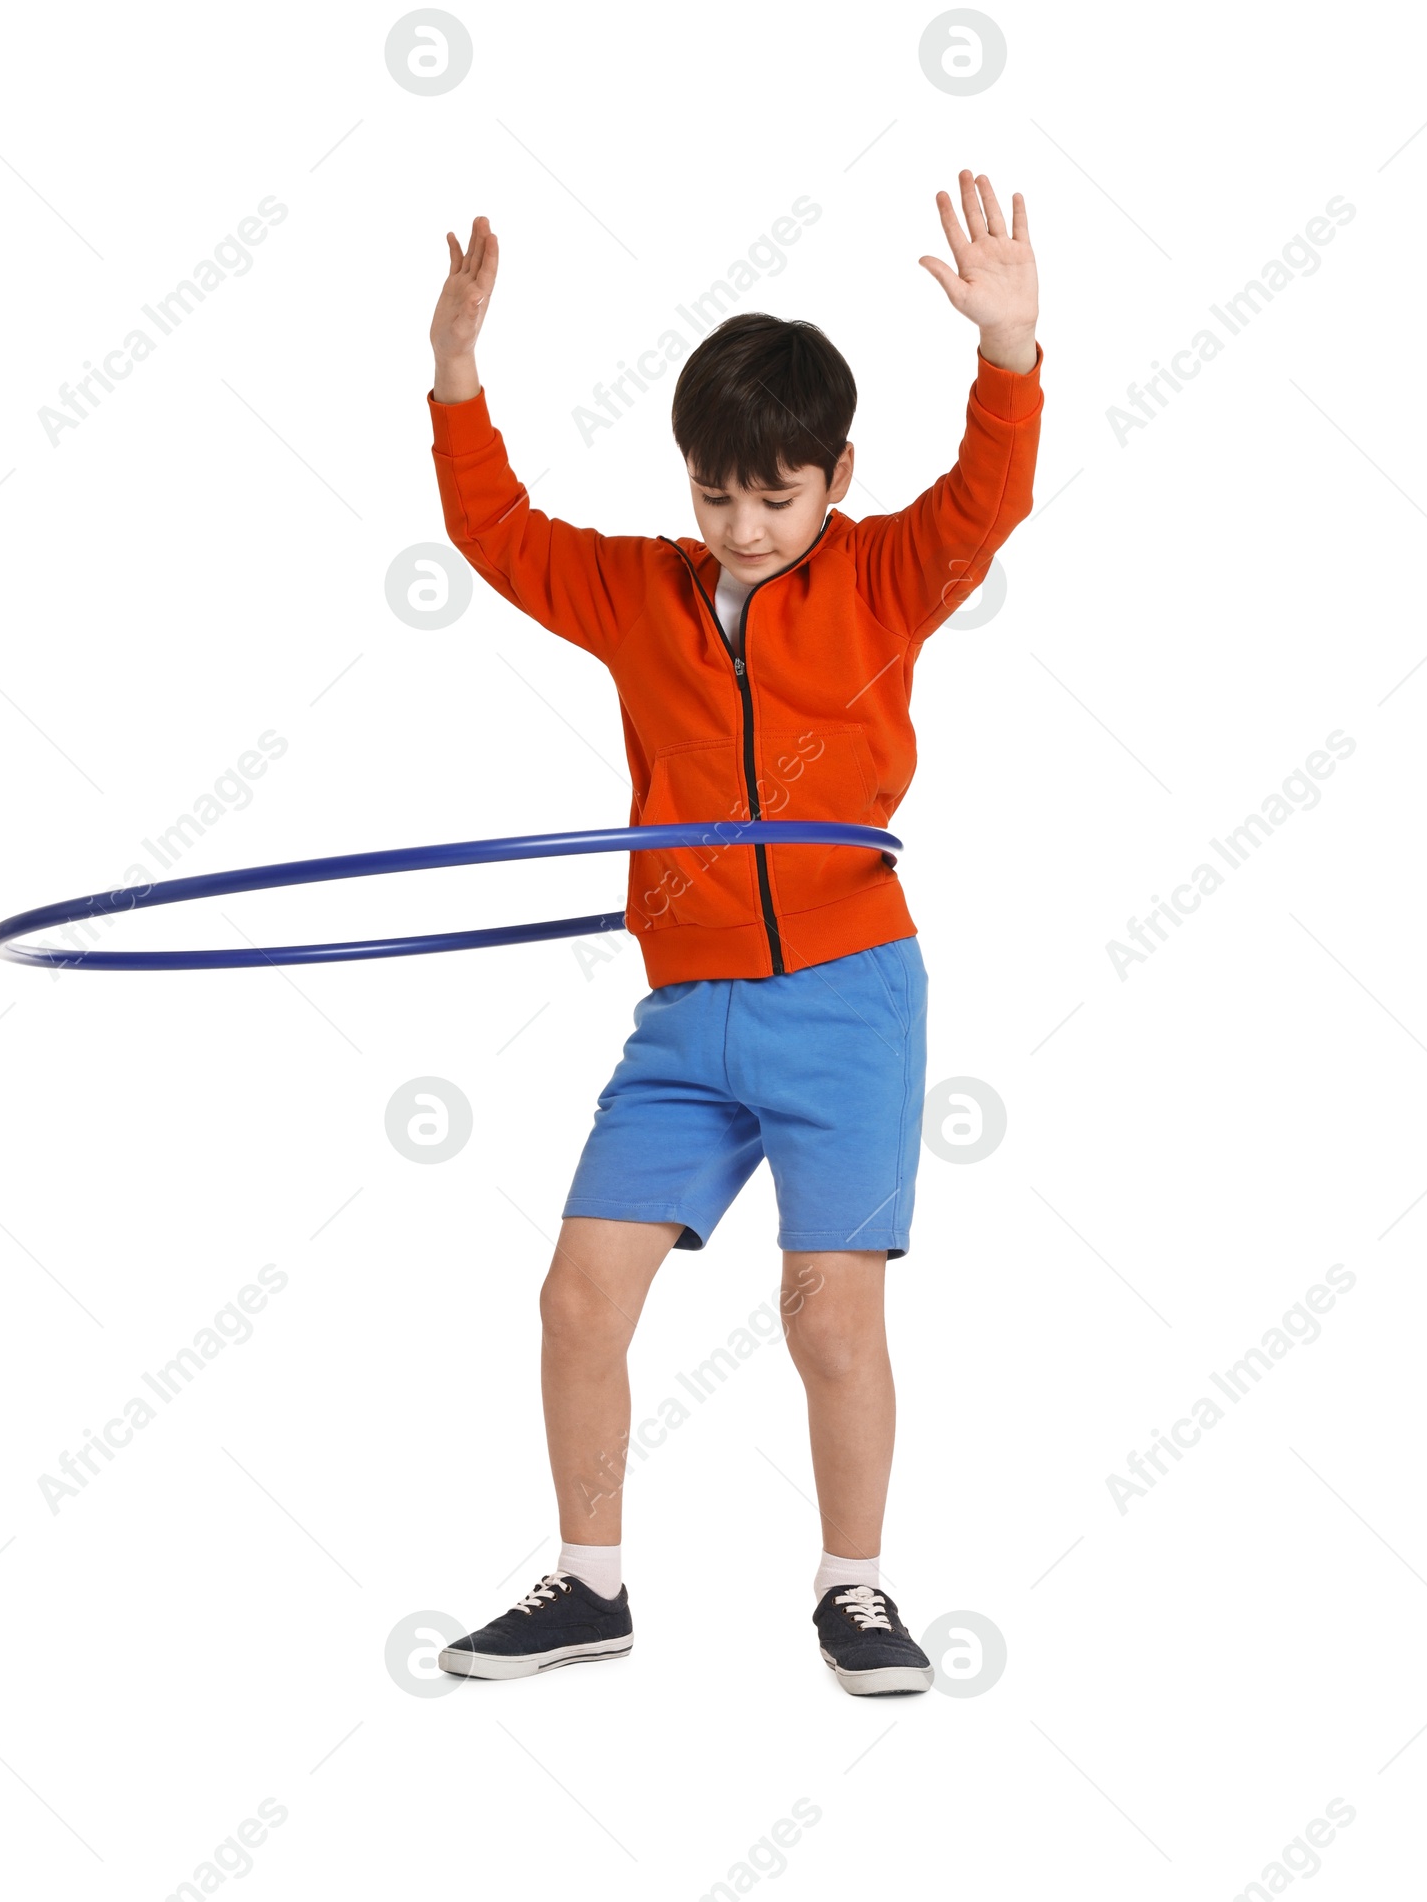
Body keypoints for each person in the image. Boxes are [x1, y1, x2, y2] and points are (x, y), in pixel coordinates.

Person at [429, 172, 1042, 1694]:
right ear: (689, 480)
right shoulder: (640, 594)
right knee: (578, 1294)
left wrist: (1011, 353)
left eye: (778, 495)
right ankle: (588, 1584)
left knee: (826, 1317)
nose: (746, 526)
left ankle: (856, 1591)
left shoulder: (886, 578)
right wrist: (455, 377)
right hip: (688, 1012)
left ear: (836, 478)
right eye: (718, 494)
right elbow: (497, 531)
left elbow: (988, 501)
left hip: (846, 997)